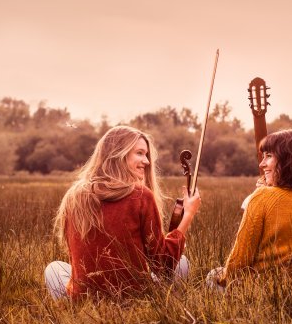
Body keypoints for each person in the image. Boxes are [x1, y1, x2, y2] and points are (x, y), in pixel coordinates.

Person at [45, 125, 202, 299]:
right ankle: (171, 301)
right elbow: (163, 264)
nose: (147, 161)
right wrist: (188, 215)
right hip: (133, 298)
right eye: (140, 153)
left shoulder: (73, 196)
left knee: (54, 269)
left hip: (84, 298)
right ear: (119, 154)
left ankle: (73, 305)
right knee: (182, 263)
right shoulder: (141, 196)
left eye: (146, 155)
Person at [207, 128, 292, 290]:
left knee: (213, 274)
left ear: (288, 159)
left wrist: (223, 279)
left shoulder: (262, 197)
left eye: (269, 156)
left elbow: (240, 261)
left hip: (260, 292)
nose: (262, 164)